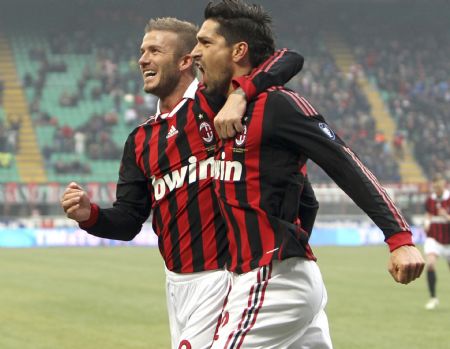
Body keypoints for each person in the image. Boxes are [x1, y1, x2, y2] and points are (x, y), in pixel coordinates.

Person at [60, 17, 309, 349]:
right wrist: (88, 215)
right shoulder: (140, 140)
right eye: (142, 51)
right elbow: (129, 219)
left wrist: (240, 96)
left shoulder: (214, 102)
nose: (142, 59)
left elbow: (289, 59)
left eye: (154, 50)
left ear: (185, 61)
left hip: (223, 278)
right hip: (176, 285)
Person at [191, 1, 425, 347]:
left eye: (206, 43)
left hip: (272, 277)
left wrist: (399, 238)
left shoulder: (279, 106)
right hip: (257, 277)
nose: (196, 52)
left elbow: (344, 163)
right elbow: (307, 200)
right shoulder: (214, 107)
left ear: (238, 50)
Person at [423, 173, 450, 310]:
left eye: (438, 186)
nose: (436, 189)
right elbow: (428, 215)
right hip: (434, 238)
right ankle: (433, 298)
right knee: (431, 264)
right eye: (434, 187)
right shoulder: (430, 200)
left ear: (444, 185)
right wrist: (426, 222)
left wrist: (446, 216)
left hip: (449, 240)